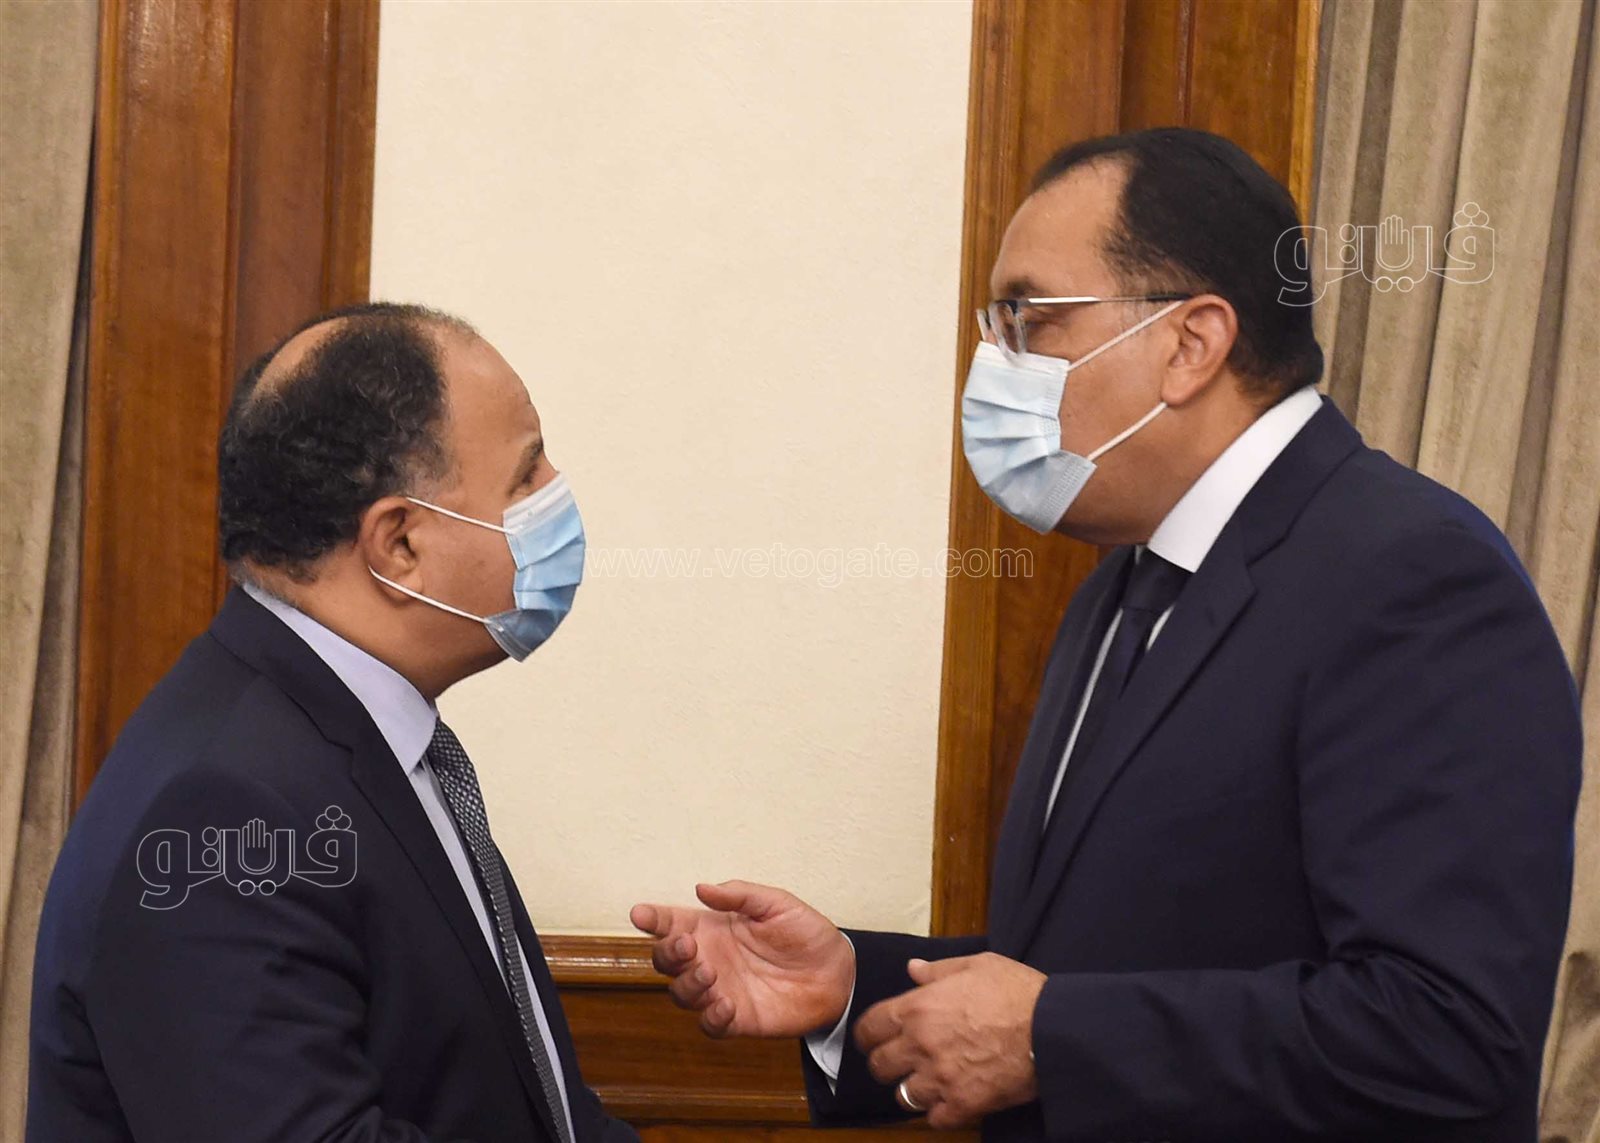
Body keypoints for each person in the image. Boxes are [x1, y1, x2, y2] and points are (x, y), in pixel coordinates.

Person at [631, 128, 1583, 1142]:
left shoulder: (1411, 577)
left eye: (1029, 320)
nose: (994, 365)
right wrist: (855, 987)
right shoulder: (1121, 584)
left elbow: (1445, 1033)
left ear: (1191, 343)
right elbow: (1108, 961)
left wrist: (1050, 1036)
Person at [29, 303, 636, 1143]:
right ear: (399, 545)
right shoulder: (224, 809)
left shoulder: (363, 739)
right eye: (526, 475)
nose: (555, 489)